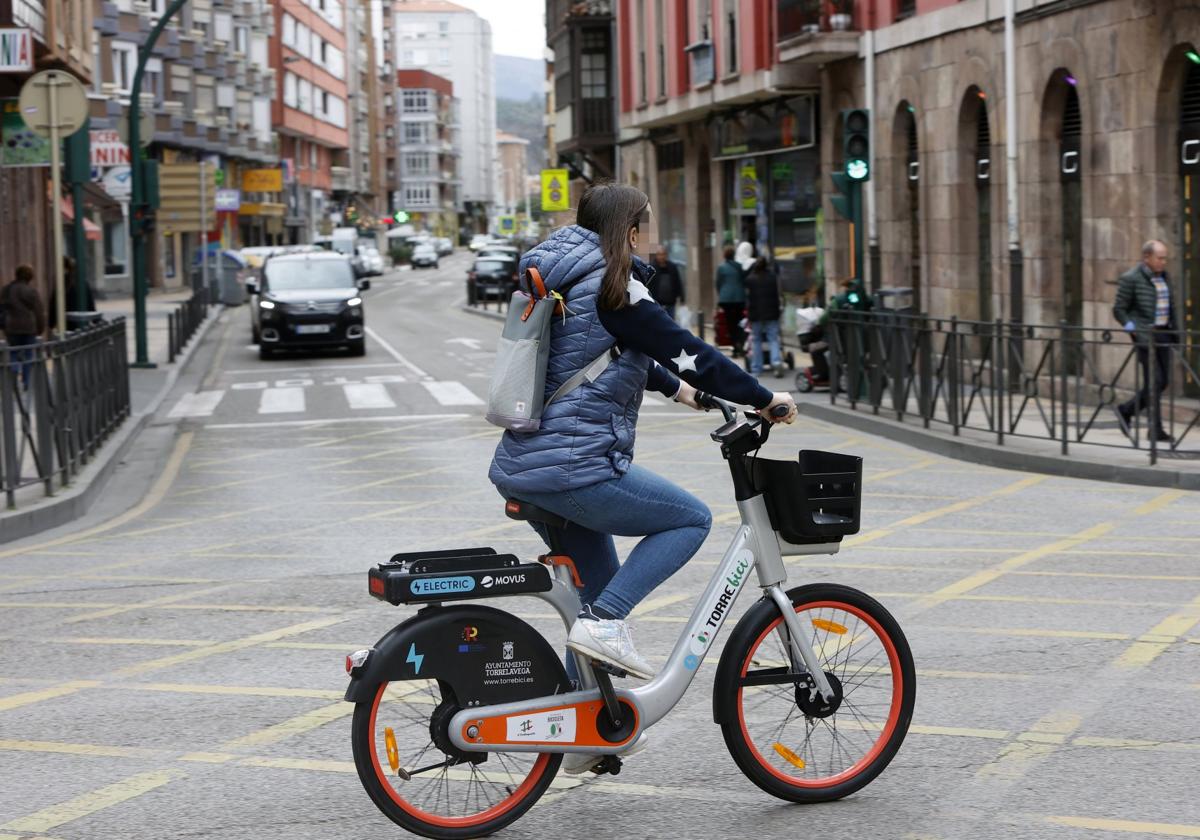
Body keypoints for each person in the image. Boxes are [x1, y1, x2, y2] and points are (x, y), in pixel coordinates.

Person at [489, 183, 797, 773]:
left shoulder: (564, 276)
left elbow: (612, 353)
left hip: (532, 466)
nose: (645, 239)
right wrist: (762, 397)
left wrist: (689, 394)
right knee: (688, 519)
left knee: (598, 596)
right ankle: (606, 625)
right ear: (629, 231)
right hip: (573, 468)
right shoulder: (615, 285)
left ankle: (585, 735)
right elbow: (682, 346)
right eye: (643, 228)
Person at [1113, 239, 1176, 443]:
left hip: (1164, 333)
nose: (1163, 262)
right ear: (1146, 257)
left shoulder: (1165, 276)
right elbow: (1119, 310)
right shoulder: (1131, 278)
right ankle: (1155, 429)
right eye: (1160, 258)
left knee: (1162, 381)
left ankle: (1126, 410)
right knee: (1155, 381)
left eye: (1165, 258)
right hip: (1145, 336)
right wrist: (1134, 331)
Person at [1, 264, 46, 389]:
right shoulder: (31, 291)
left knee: (13, 352)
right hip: (29, 328)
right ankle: (26, 381)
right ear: (30, 277)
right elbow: (39, 312)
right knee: (28, 354)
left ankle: (14, 370)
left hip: (11, 327)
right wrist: (40, 329)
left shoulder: (6, 290)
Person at [744, 256, 784, 378]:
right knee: (773, 339)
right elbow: (777, 295)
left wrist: (749, 315)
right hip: (772, 313)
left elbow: (749, 299)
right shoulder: (772, 278)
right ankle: (776, 362)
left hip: (756, 315)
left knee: (756, 341)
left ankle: (757, 368)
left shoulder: (750, 279)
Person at [716, 244, 746, 357]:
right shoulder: (739, 266)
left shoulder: (721, 267)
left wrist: (722, 295)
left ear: (724, 255)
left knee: (730, 324)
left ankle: (735, 347)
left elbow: (718, 284)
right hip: (739, 299)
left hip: (726, 300)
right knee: (740, 323)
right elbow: (743, 281)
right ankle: (741, 343)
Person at [648, 245, 684, 322]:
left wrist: (681, 297)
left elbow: (678, 282)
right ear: (656, 255)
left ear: (666, 255)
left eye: (663, 254)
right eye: (659, 254)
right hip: (656, 303)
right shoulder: (651, 268)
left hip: (670, 303)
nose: (661, 257)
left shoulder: (672, 267)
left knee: (671, 323)